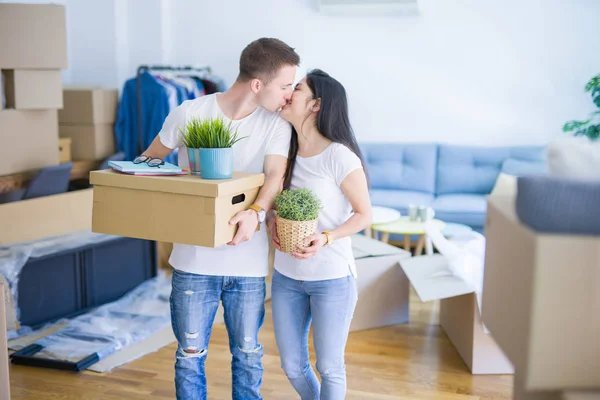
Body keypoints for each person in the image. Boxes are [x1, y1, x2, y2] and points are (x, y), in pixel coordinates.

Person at [139, 38, 299, 400]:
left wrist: (255, 214)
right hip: (193, 262)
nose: (289, 95)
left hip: (248, 265)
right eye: (286, 86)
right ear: (258, 84)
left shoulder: (276, 124)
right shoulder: (189, 112)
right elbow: (148, 161)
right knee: (190, 355)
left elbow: (275, 177)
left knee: (247, 353)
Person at [268, 69, 372, 400]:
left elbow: (364, 215)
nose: (288, 94)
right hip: (286, 276)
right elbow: (275, 202)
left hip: (331, 278)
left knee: (329, 367)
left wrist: (325, 238)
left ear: (316, 104)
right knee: (292, 365)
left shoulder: (339, 156)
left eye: (296, 89)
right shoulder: (284, 152)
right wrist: (272, 222)